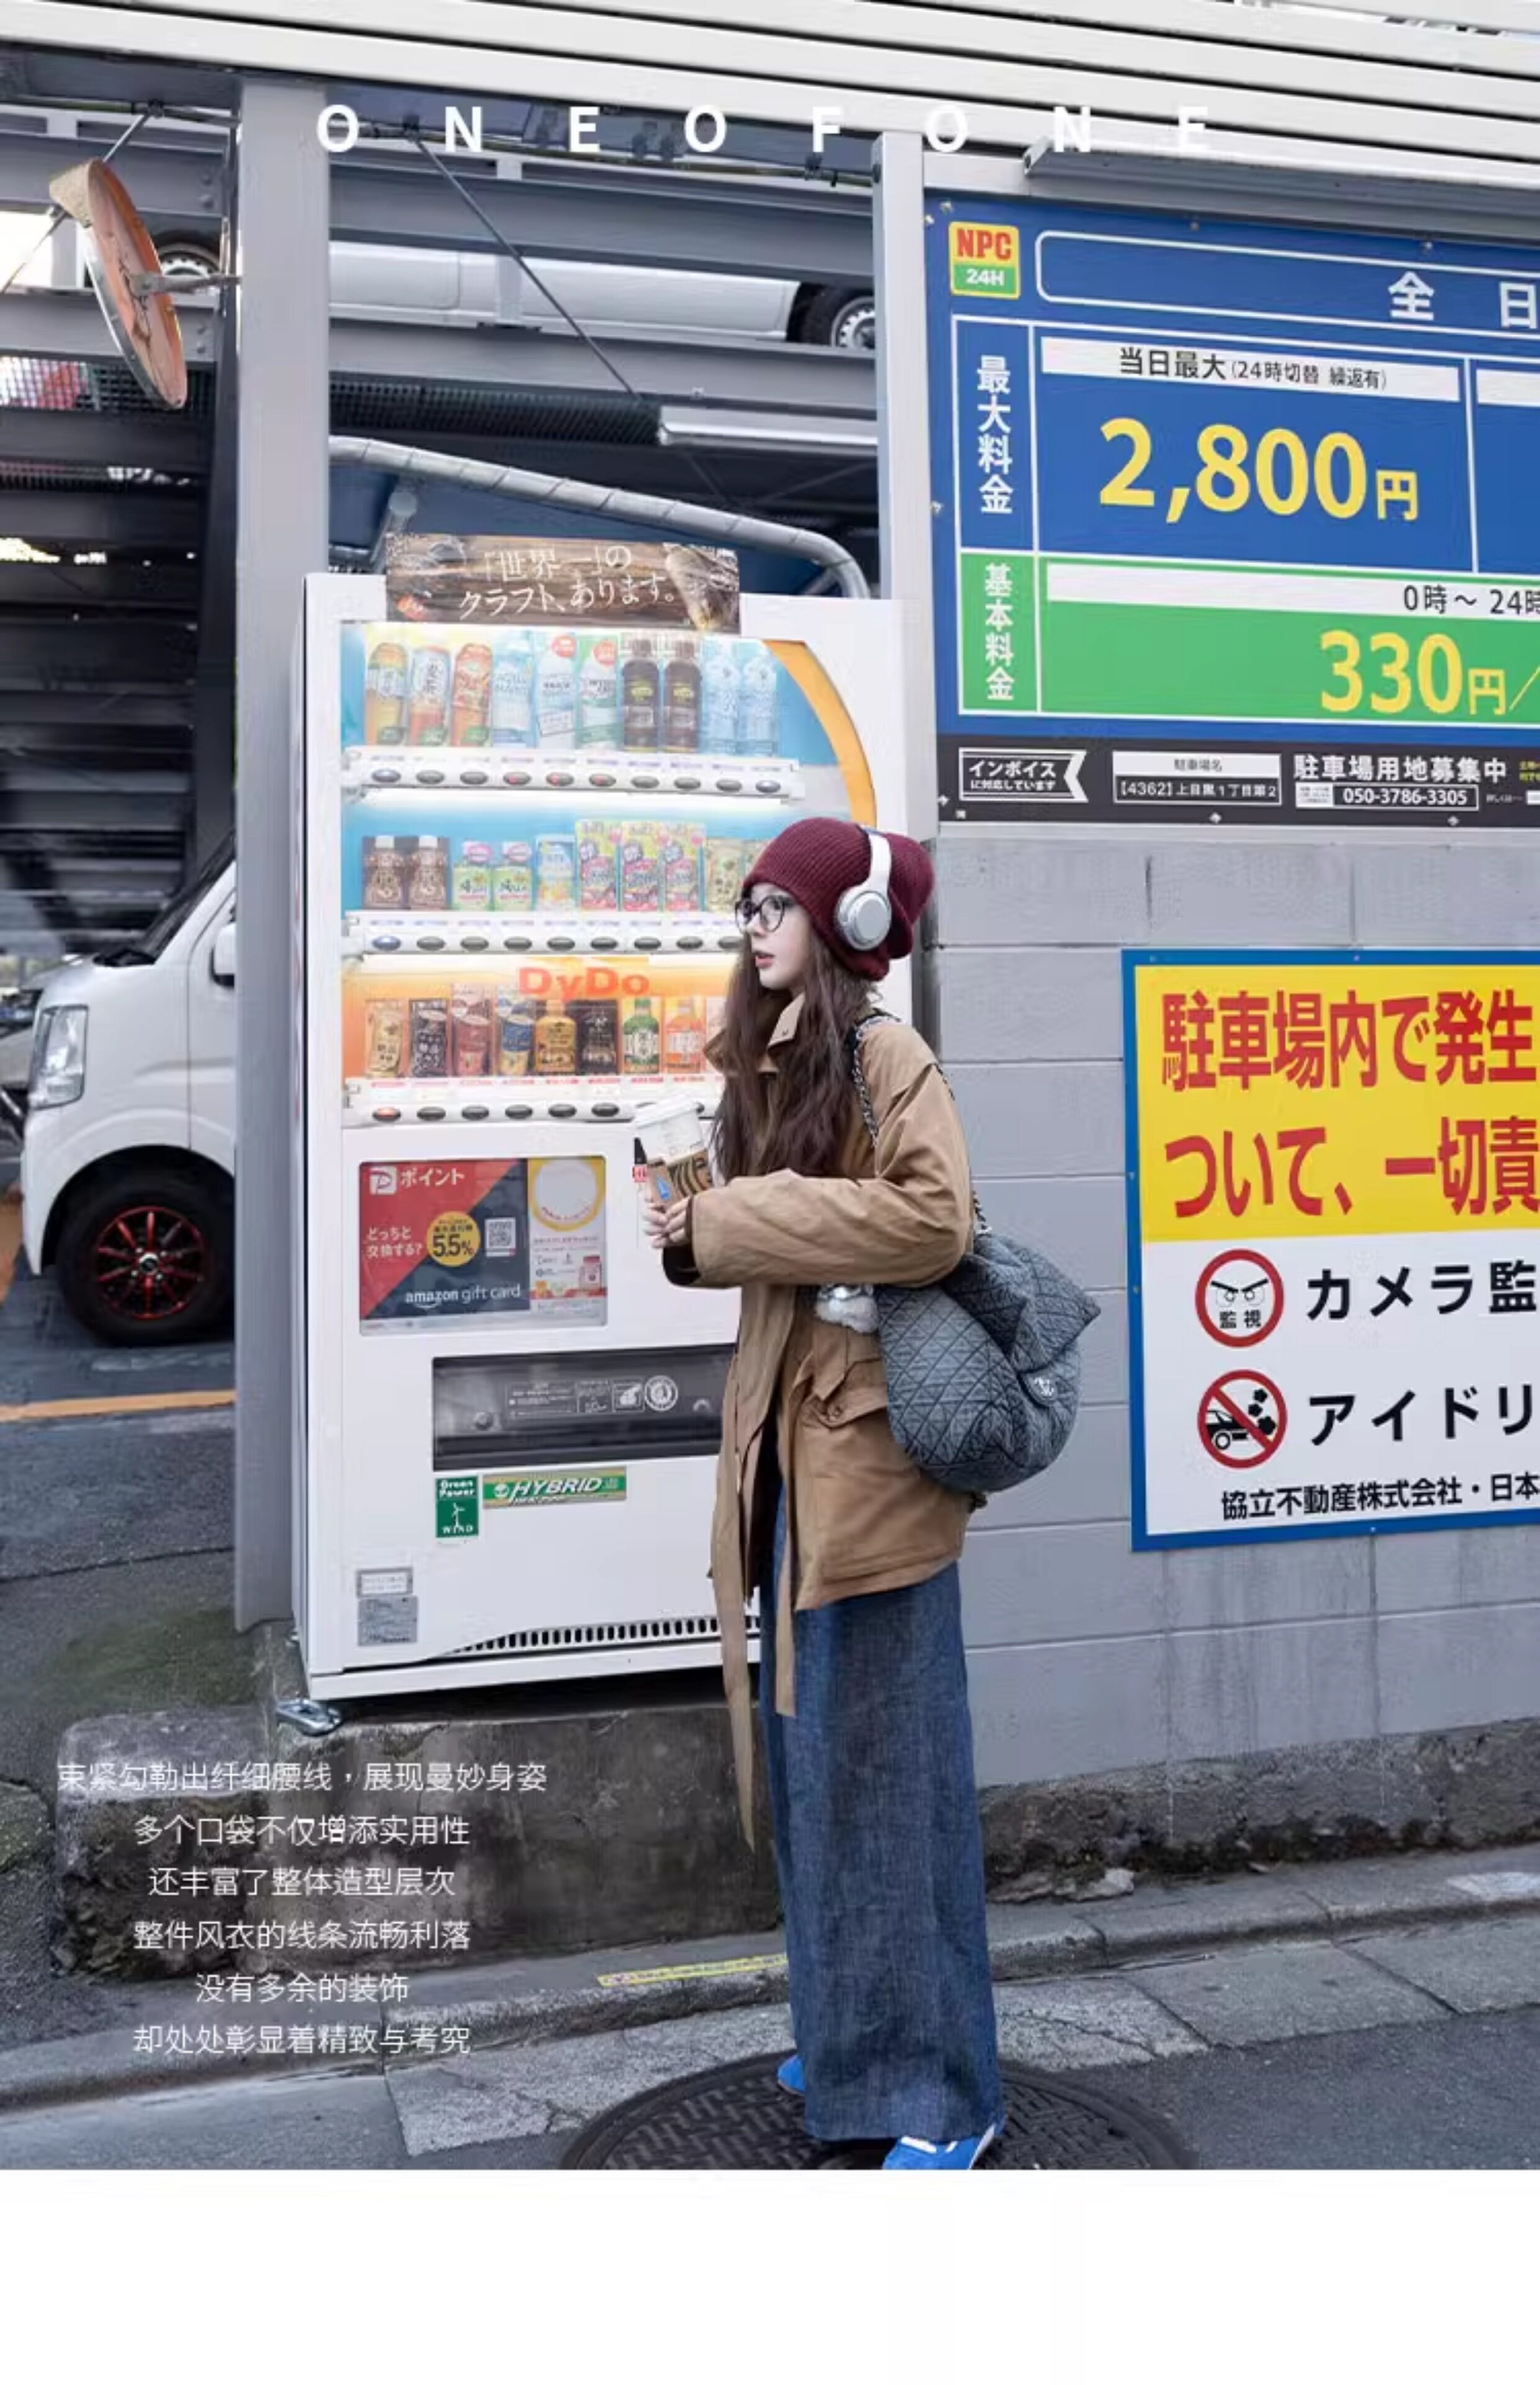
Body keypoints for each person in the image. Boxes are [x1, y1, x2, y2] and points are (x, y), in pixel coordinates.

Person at [643, 815, 1005, 2170]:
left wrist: (733, 1220)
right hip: (787, 1464)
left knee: (885, 1788)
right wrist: (691, 1231)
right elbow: (780, 1247)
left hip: (868, 1476)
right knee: (819, 1782)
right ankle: (854, 2036)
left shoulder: (886, 1052)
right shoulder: (773, 1059)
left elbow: (934, 1221)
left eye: (776, 905)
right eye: (747, 906)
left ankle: (945, 2099)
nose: (753, 926)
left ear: (848, 924)